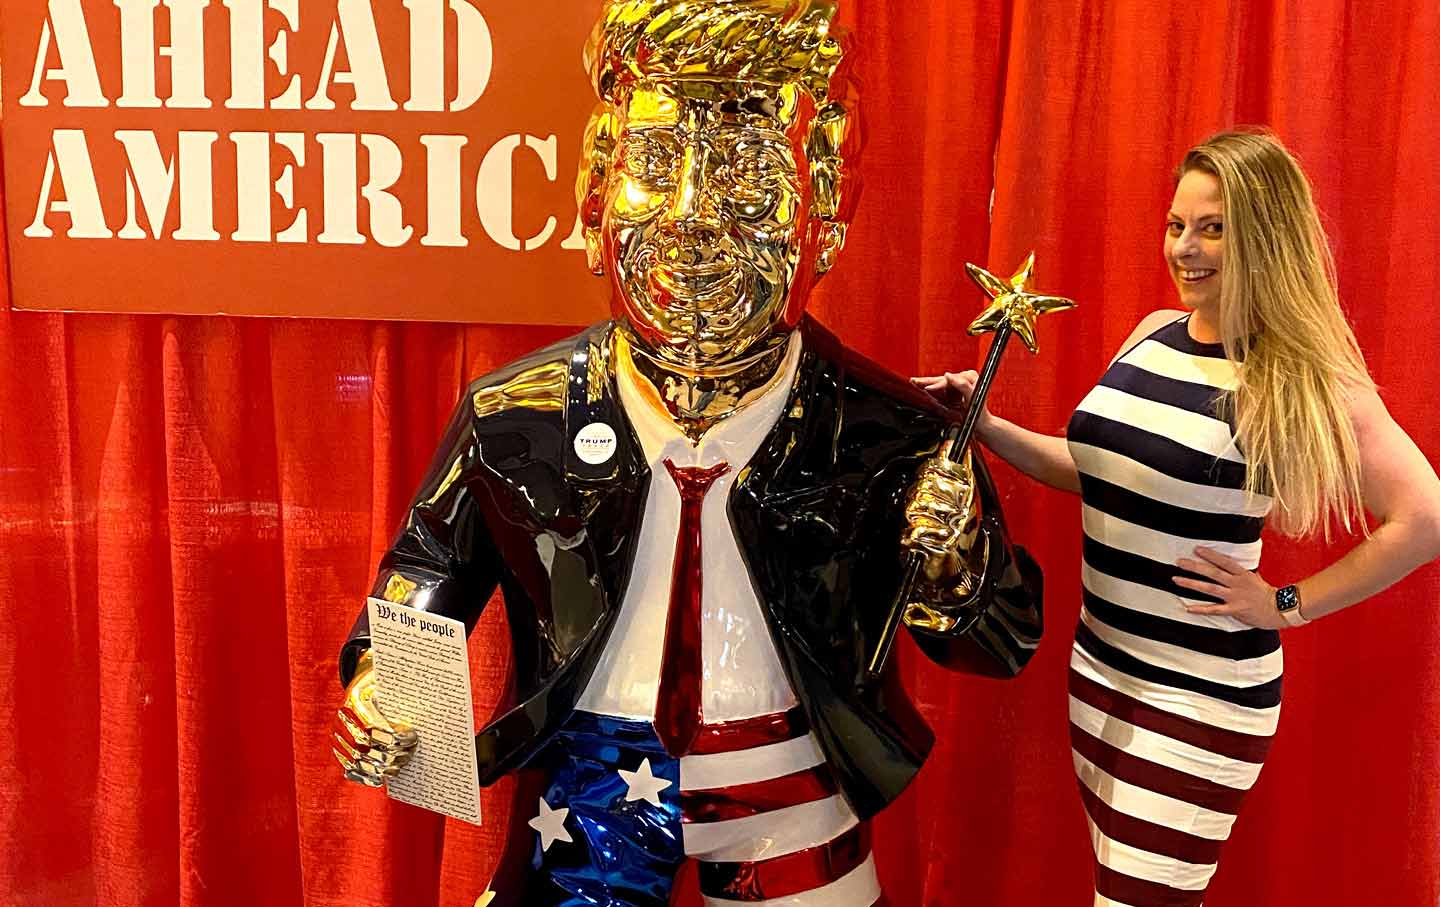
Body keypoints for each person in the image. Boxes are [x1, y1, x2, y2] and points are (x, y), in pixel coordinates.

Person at [330, 2, 1044, 905]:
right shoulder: (517, 416)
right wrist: (387, 684)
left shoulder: (890, 436)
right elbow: (428, 568)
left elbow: (1000, 644)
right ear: (595, 195)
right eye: (657, 165)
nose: (694, 218)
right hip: (584, 801)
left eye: (747, 172)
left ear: (824, 196)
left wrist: (952, 562)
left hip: (794, 805)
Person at [915, 129, 1440, 905]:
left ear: (1264, 236)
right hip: (1099, 672)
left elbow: (1424, 517)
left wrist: (1284, 604)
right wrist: (989, 427)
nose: (1185, 248)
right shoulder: (1152, 334)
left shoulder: (1297, 378)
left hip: (1198, 698)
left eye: (1213, 227)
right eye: (1176, 225)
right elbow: (1094, 470)